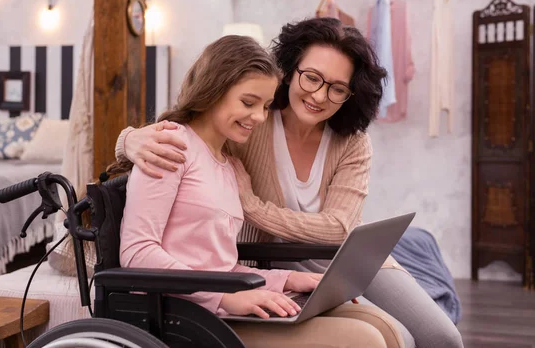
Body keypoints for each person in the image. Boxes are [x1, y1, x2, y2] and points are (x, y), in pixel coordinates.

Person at [115, 18, 464, 348]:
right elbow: (185, 125)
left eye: (338, 88)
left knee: (437, 336)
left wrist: (252, 209)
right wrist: (129, 140)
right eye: (312, 77)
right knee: (388, 334)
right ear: (291, 71)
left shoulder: (345, 142)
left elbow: (339, 228)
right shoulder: (243, 130)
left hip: (338, 257)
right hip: (268, 262)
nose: (320, 95)